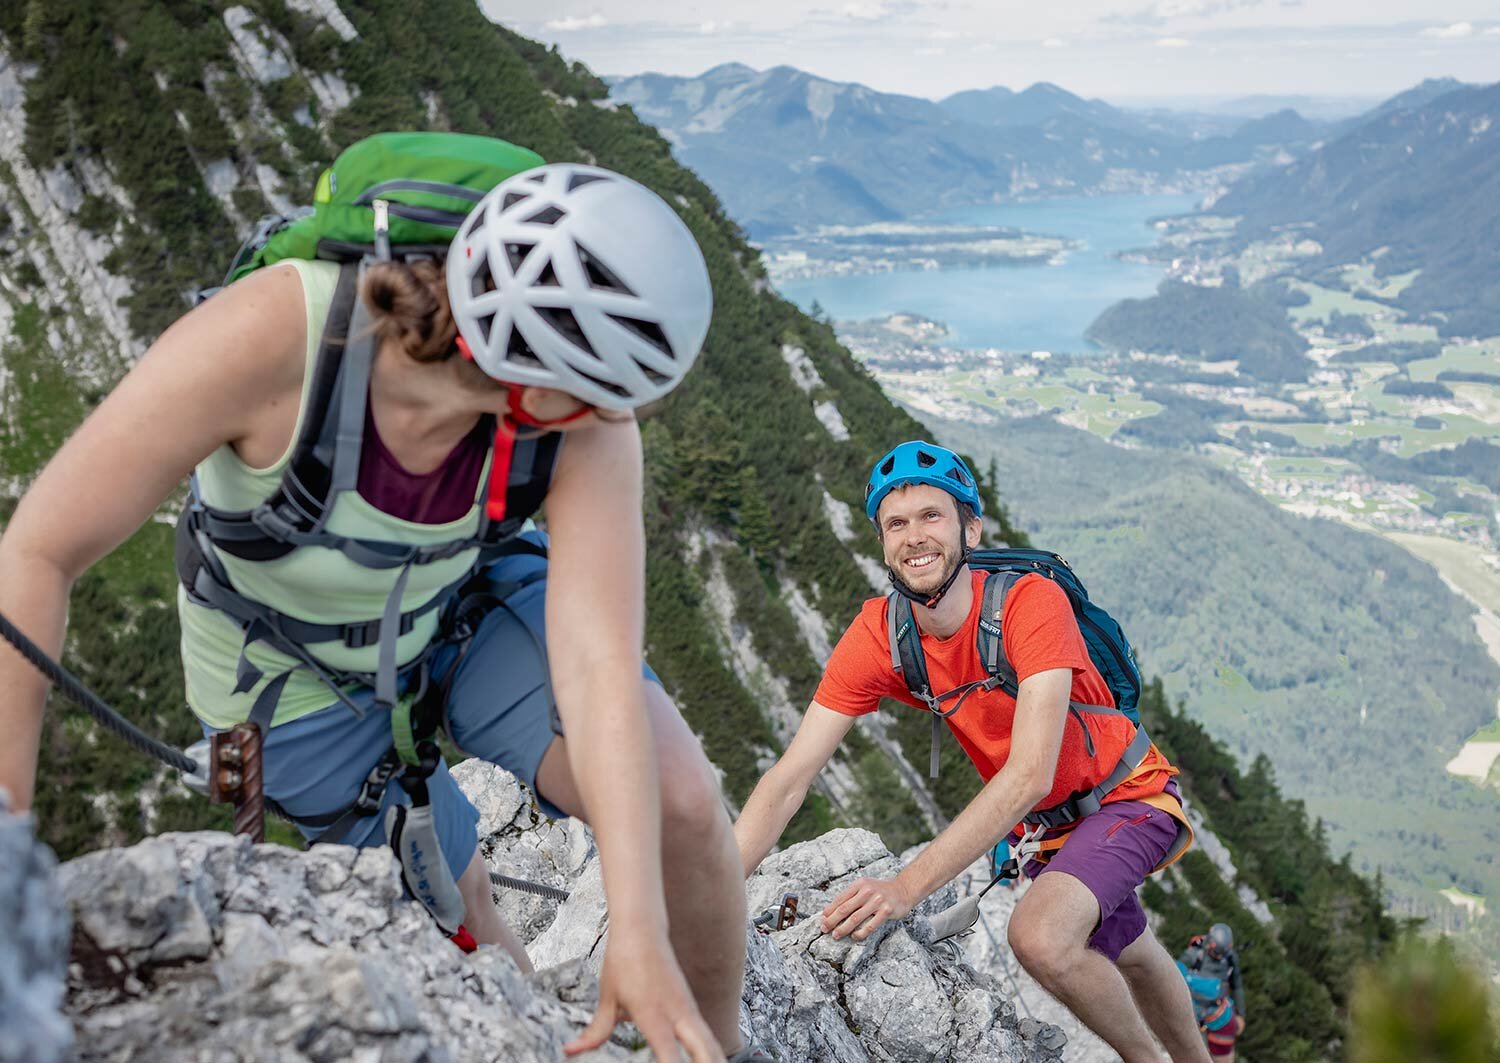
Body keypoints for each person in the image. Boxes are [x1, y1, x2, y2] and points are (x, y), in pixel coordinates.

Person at [0, 150, 766, 1063]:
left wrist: (639, 927)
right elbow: (38, 552)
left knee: (680, 799)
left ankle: (717, 1047)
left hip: (461, 591)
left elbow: (599, 662)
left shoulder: (585, 428)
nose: (620, 416)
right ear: (545, 385)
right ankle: (530, 1034)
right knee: (456, 904)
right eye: (610, 397)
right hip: (288, 668)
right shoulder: (275, 337)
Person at [734, 439, 1211, 1063]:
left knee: (1041, 938)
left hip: (1128, 794)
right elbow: (790, 777)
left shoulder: (1028, 604)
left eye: (933, 516)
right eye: (896, 524)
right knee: (1136, 953)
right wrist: (712, 891)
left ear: (971, 528)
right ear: (882, 543)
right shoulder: (880, 636)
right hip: (1052, 828)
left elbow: (1030, 774)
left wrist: (905, 887)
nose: (914, 537)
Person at [1177, 923, 1247, 1060]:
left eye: (1221, 954)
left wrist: (1241, 1014)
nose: (1219, 957)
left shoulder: (1230, 958)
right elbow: (1175, 976)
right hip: (1192, 1009)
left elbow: (1237, 985)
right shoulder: (1194, 954)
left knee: (1224, 1055)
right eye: (1216, 953)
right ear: (1209, 944)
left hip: (1217, 1010)